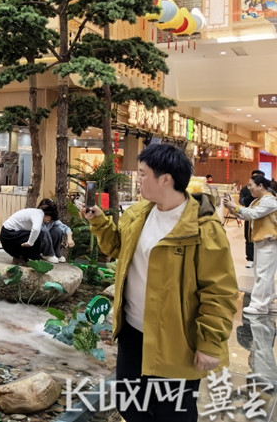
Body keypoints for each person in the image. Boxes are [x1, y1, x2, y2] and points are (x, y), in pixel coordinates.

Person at [82, 143, 238, 422]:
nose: (138, 180)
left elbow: (219, 291)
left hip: (177, 340)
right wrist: (100, 223)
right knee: (130, 405)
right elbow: (119, 248)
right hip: (133, 332)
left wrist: (209, 343)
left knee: (173, 412)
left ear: (165, 179)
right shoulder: (139, 214)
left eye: (143, 174)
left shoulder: (203, 228)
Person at [224, 174, 277, 315]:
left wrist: (235, 207)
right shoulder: (257, 201)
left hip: (269, 242)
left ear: (260, 186)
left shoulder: (269, 201)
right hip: (261, 241)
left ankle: (259, 306)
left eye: (250, 185)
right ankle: (269, 303)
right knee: (263, 274)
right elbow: (246, 215)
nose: (249, 188)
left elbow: (253, 214)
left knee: (263, 274)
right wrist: (232, 208)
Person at [240, 170, 265, 268]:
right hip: (249, 216)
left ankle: (261, 258)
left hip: (263, 217)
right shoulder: (246, 189)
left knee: (263, 238)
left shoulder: (267, 191)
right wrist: (251, 195)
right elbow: (242, 201)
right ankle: (250, 259)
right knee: (249, 237)